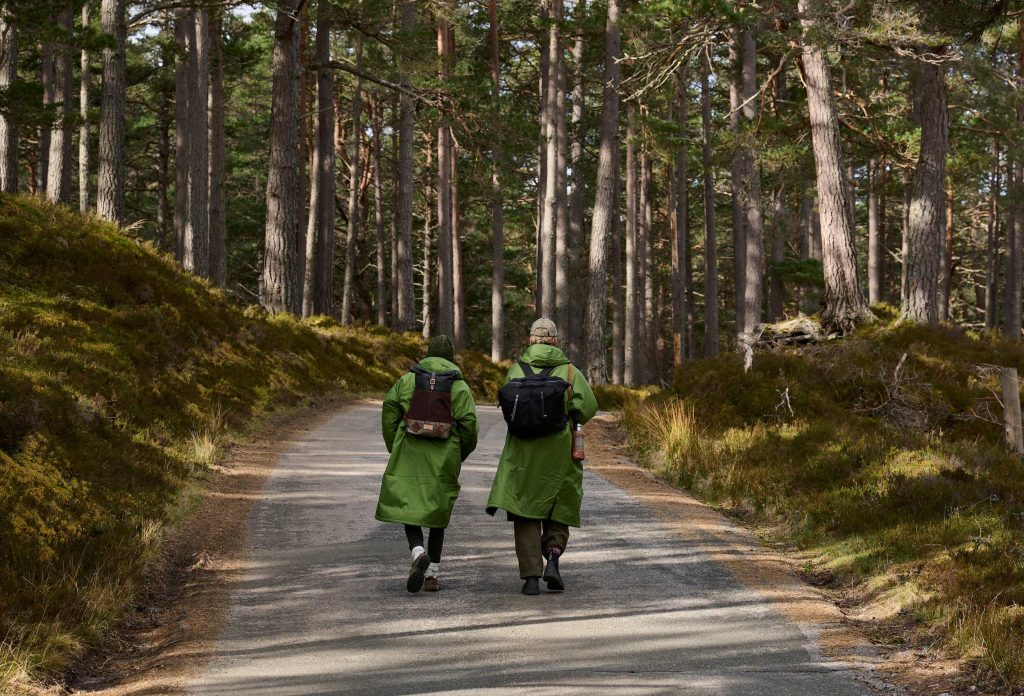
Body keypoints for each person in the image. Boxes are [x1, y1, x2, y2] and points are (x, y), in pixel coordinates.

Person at [486, 318, 598, 595]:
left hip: (521, 451)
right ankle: (554, 557)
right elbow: (589, 407)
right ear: (555, 341)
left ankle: (531, 578)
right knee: (559, 503)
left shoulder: (516, 370)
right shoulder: (570, 372)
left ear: (531, 340)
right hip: (559, 449)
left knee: (524, 509)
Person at [376, 335, 479, 593]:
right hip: (443, 457)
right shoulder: (460, 387)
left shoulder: (408, 380)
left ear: (428, 353)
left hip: (409, 453)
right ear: (452, 357)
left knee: (407, 504)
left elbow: (389, 407)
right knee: (437, 512)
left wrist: (394, 444)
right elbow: (470, 429)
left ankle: (417, 551)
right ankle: (432, 575)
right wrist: (458, 454)